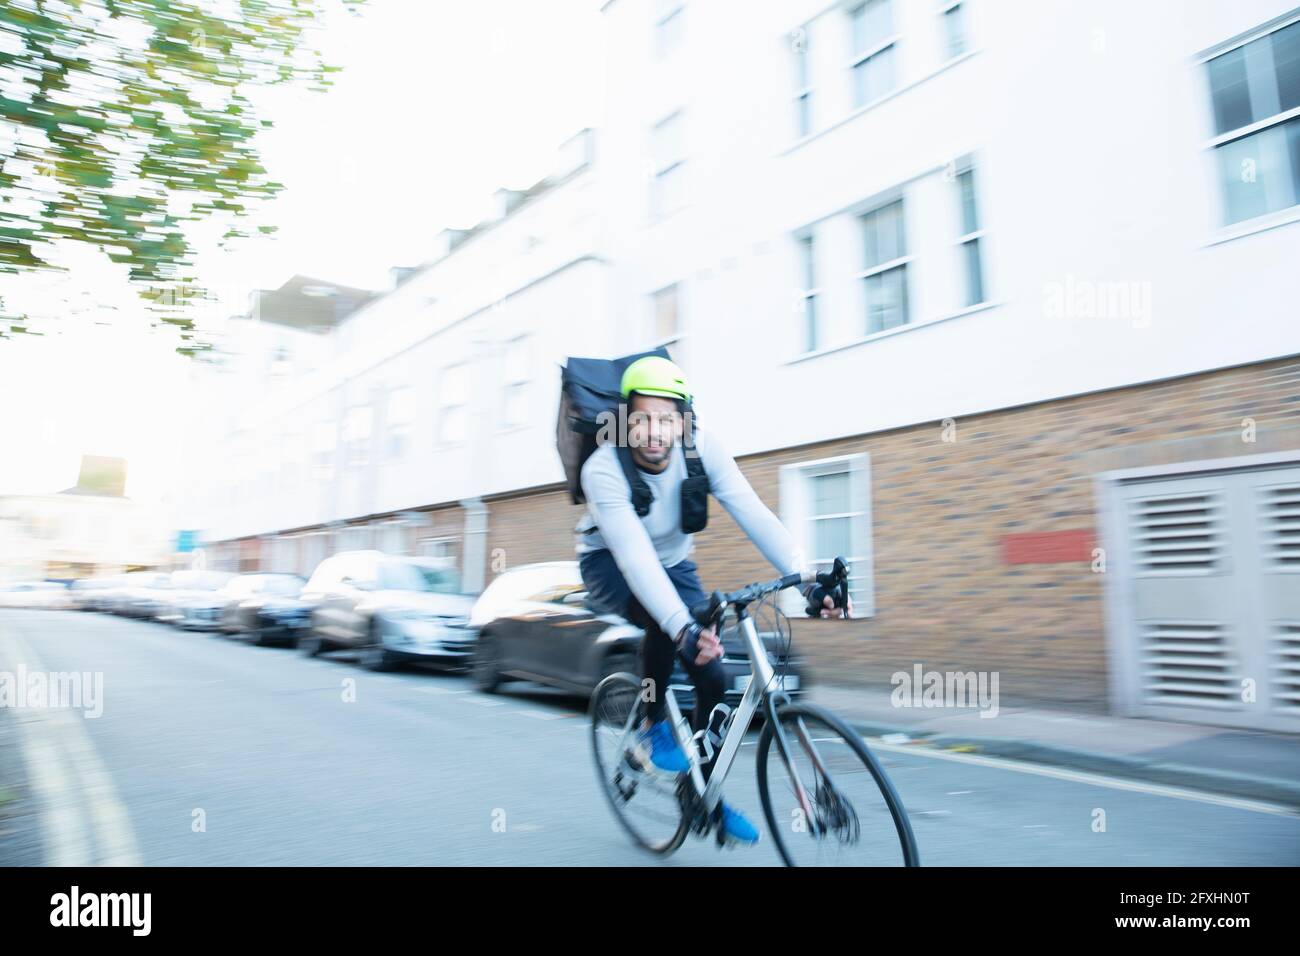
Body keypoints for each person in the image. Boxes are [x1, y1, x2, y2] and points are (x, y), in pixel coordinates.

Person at [575, 355, 851, 846]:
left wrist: (809, 580)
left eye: (665, 419)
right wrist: (683, 627)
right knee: (668, 627)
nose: (654, 432)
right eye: (641, 419)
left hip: (675, 564)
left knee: (715, 676)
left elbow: (754, 513)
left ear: (683, 420)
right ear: (623, 420)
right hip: (610, 562)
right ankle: (652, 722)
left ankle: (702, 795)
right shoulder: (603, 468)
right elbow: (637, 563)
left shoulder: (702, 449)